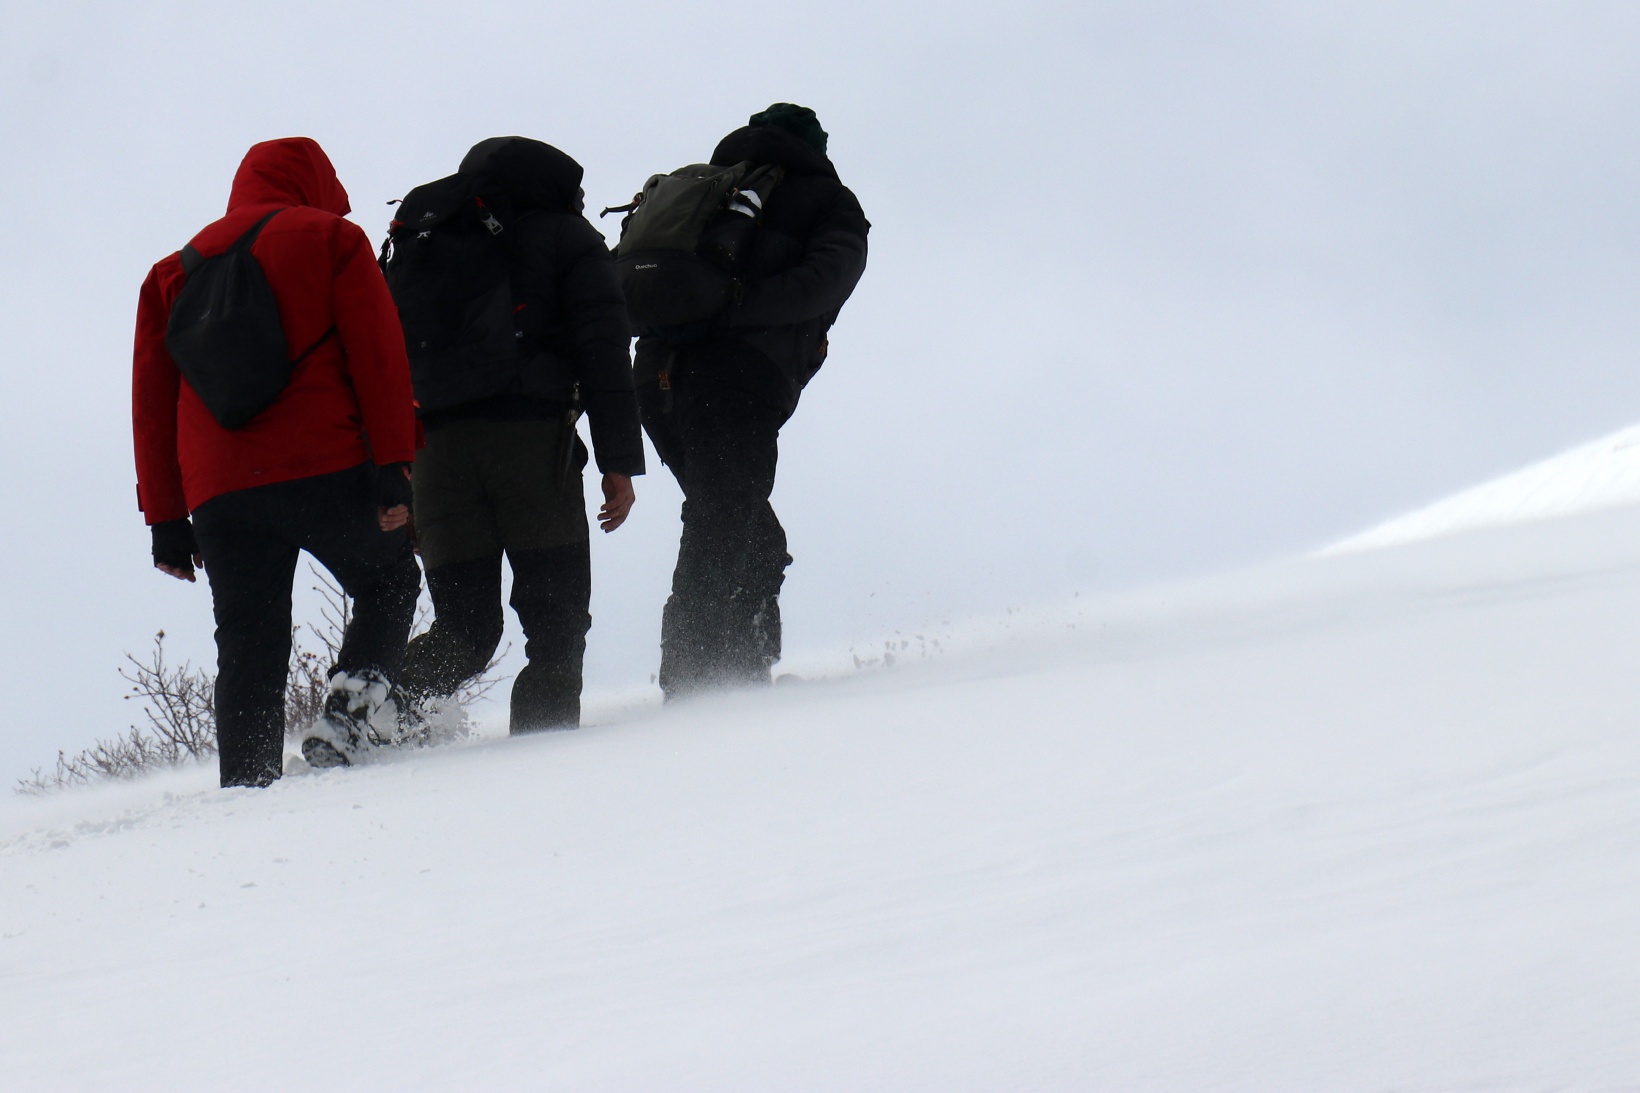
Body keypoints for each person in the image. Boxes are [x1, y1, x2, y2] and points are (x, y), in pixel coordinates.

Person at [133, 136, 421, 787]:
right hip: (323, 464)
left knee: (249, 645)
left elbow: (153, 404)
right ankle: (347, 721)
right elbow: (378, 357)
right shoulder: (330, 240)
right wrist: (394, 463)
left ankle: (246, 786)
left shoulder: (172, 272)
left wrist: (166, 519)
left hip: (221, 493)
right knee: (391, 580)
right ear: (314, 182)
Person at [392, 137, 644, 733]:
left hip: (436, 454)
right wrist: (618, 461)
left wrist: (397, 470)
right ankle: (542, 760)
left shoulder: (424, 238)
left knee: (464, 629)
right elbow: (604, 352)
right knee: (555, 626)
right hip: (530, 446)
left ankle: (359, 716)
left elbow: (388, 358)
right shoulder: (566, 235)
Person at [633, 104, 869, 699]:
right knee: (724, 520)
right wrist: (736, 314)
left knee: (745, 527)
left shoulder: (710, 186)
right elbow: (824, 281)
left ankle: (737, 672)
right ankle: (701, 686)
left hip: (657, 375)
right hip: (734, 379)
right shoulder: (828, 200)